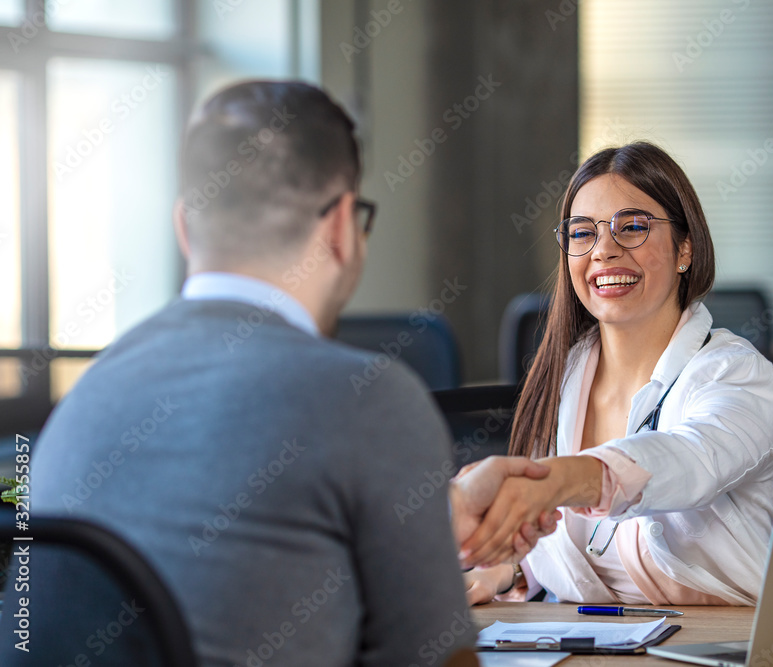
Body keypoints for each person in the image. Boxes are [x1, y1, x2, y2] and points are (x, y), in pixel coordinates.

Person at [1, 81, 553, 667]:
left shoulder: (91, 391)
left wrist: (431, 518)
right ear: (342, 226)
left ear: (185, 226)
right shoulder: (371, 398)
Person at [459, 142, 773, 607]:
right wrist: (506, 569)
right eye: (581, 233)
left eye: (632, 227)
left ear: (684, 249)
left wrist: (556, 481)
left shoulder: (735, 374)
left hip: (719, 647)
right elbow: (570, 543)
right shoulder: (564, 373)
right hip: (594, 643)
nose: (604, 251)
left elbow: (692, 460)